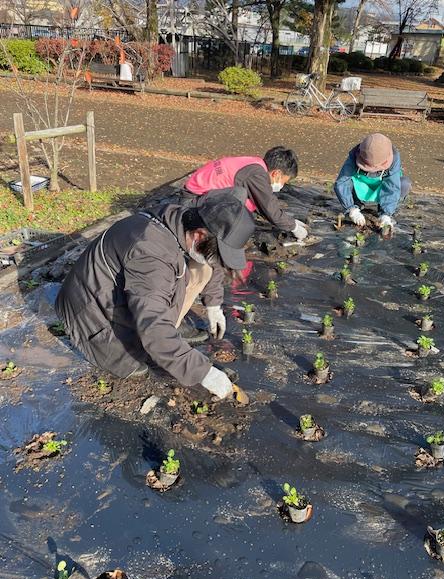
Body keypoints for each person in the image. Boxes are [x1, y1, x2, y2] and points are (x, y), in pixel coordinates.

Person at [55, 188, 255, 399]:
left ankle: (167, 340)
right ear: (199, 235)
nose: (216, 261)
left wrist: (213, 303)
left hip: (117, 289)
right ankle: (149, 341)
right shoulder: (151, 253)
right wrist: (202, 372)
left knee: (201, 268)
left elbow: (210, 260)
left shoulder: (179, 218)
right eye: (217, 253)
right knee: (135, 364)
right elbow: (152, 323)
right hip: (88, 310)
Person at [184, 146, 308, 240]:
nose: (282, 186)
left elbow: (262, 202)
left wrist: (288, 221)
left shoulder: (256, 164)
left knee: (248, 203)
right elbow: (268, 207)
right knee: (241, 198)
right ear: (276, 173)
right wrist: (293, 227)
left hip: (198, 195)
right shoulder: (257, 175)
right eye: (284, 181)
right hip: (191, 204)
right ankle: (216, 237)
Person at [334, 133, 411, 228]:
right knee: (346, 181)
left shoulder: (394, 157)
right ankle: (356, 205)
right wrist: (351, 209)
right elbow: (342, 182)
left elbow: (392, 186)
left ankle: (385, 212)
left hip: (381, 186)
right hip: (360, 186)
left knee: (404, 184)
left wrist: (386, 214)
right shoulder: (355, 154)